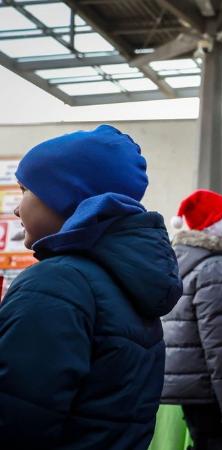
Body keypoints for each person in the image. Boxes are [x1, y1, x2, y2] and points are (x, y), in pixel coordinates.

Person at [0, 125, 182, 448]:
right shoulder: (126, 282)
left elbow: (15, 420)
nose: (16, 208)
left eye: (25, 189)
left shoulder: (55, 284)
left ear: (64, 196)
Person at [161, 190, 222, 450]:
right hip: (211, 388)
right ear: (219, 227)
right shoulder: (215, 266)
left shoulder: (183, 258)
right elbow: (220, 340)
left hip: (192, 382)